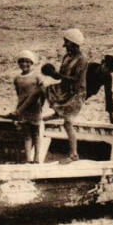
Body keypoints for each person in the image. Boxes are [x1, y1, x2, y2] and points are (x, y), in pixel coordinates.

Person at [42, 28, 88, 164]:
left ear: (73, 43)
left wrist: (57, 75)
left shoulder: (82, 60)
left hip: (76, 93)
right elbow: (63, 76)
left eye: (66, 42)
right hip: (65, 89)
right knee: (44, 90)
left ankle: (74, 154)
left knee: (68, 123)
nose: (64, 45)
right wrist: (54, 74)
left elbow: (75, 79)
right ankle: (57, 113)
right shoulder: (67, 56)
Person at [1, 51, 45, 163]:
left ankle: (37, 157)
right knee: (27, 135)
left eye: (27, 62)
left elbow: (43, 92)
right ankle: (28, 158)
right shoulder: (17, 78)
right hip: (22, 109)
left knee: (36, 133)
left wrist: (41, 105)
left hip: (35, 108)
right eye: (22, 62)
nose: (24, 64)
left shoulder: (37, 76)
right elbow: (19, 93)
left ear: (31, 62)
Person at [85, 55, 113, 124]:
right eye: (105, 67)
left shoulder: (108, 78)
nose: (106, 70)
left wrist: (111, 119)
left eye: (109, 71)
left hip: (88, 93)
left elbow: (109, 95)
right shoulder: (90, 66)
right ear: (102, 63)